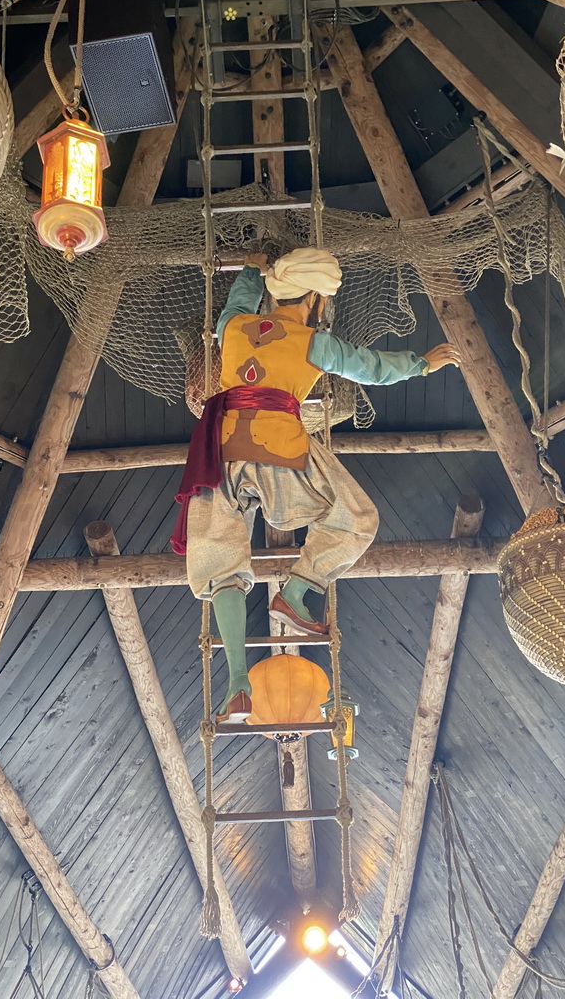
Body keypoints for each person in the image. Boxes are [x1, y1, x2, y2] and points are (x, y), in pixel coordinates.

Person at [171, 248, 460, 722]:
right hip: (277, 447)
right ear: (315, 299)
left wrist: (250, 267)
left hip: (217, 452)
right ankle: (299, 591)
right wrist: (423, 363)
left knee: (220, 562)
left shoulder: (235, 327)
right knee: (356, 517)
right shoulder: (312, 341)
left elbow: (239, 302)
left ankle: (239, 679)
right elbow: (372, 368)